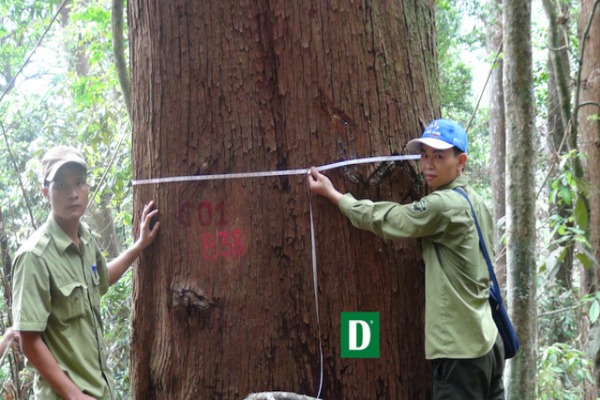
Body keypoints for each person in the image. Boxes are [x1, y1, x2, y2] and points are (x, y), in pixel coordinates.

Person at [308, 119, 504, 399]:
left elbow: (389, 219)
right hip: (488, 341)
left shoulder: (442, 205)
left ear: (460, 161)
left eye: (439, 156)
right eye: (424, 155)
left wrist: (335, 195)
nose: (428, 165)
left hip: (461, 353)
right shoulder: (475, 200)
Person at [11, 145, 160, 399]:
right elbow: (29, 341)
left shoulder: (87, 239)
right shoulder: (34, 257)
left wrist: (139, 246)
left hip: (100, 390)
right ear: (45, 192)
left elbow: (103, 278)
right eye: (61, 185)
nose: (73, 194)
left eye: (79, 183)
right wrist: (74, 395)